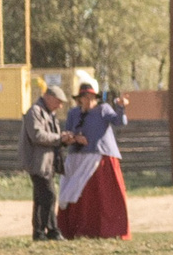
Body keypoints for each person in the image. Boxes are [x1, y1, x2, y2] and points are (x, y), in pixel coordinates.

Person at [56, 78, 132, 240]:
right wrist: (75, 138)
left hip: (100, 158)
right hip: (77, 158)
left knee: (102, 197)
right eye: (84, 96)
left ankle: (107, 230)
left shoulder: (103, 109)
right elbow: (67, 133)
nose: (88, 100)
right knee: (74, 193)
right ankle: (74, 230)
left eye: (91, 96)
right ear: (79, 98)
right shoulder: (73, 113)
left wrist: (120, 106)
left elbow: (120, 122)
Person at [19, 83, 66, 241]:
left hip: (47, 163)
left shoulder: (48, 113)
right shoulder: (35, 112)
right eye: (58, 101)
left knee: (42, 198)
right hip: (37, 162)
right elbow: (37, 135)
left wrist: (64, 139)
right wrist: (60, 139)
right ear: (49, 97)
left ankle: (41, 232)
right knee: (49, 196)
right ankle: (49, 231)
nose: (60, 106)